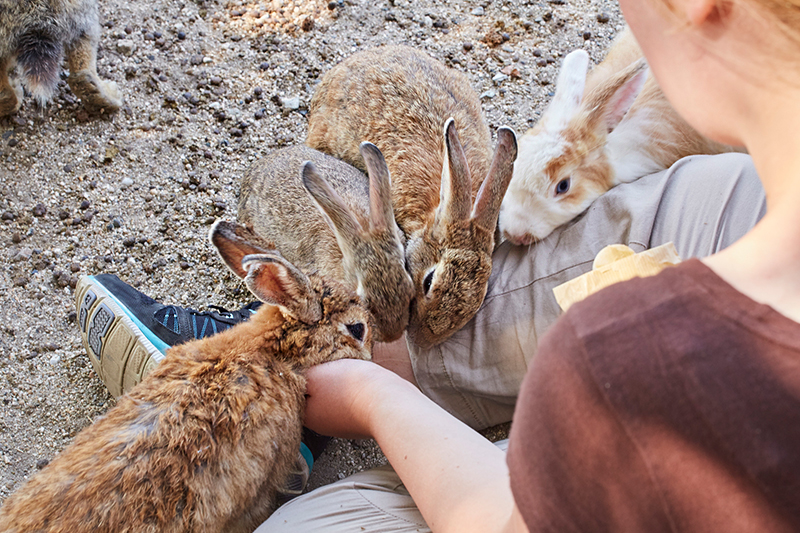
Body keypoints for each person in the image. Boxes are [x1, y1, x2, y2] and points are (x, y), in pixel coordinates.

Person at [74, 0, 800, 528]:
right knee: (622, 219)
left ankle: (348, 370)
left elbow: (501, 518)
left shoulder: (611, 352)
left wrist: (370, 401)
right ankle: (349, 344)